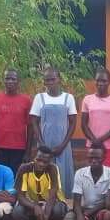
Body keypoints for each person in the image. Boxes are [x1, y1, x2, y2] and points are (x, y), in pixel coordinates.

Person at [31, 67, 77, 197]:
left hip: (63, 144)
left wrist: (63, 145)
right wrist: (41, 143)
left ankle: (63, 201)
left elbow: (73, 123)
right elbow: (34, 121)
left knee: (62, 173)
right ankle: (43, 199)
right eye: (47, 80)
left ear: (59, 80)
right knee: (43, 170)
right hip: (44, 143)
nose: (50, 82)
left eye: (53, 79)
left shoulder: (68, 98)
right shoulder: (39, 98)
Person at [12, 147, 68, 220]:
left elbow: (52, 197)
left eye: (45, 162)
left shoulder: (53, 169)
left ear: (49, 162)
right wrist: (35, 206)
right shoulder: (24, 169)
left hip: (53, 203)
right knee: (17, 212)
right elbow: (20, 196)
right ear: (33, 158)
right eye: (38, 160)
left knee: (58, 210)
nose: (41, 164)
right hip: (36, 204)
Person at [66, 145, 110, 220]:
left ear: (104, 158)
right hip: (85, 208)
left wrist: (85, 215)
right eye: (91, 158)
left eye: (97, 158)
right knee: (69, 218)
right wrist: (80, 217)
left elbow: (107, 202)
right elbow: (76, 202)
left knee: (109, 216)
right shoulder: (80, 173)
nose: (93, 161)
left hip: (102, 210)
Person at [0, 68, 33, 172]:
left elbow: (30, 127)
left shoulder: (27, 100)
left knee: (15, 177)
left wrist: (28, 151)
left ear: (19, 81)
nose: (10, 81)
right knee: (0, 175)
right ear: (3, 80)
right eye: (7, 79)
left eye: (13, 79)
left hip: (19, 147)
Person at [81, 67, 110, 169]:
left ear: (109, 82)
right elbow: (83, 124)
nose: (100, 83)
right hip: (92, 147)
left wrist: (101, 139)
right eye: (98, 80)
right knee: (93, 174)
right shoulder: (87, 99)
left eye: (104, 81)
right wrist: (94, 140)